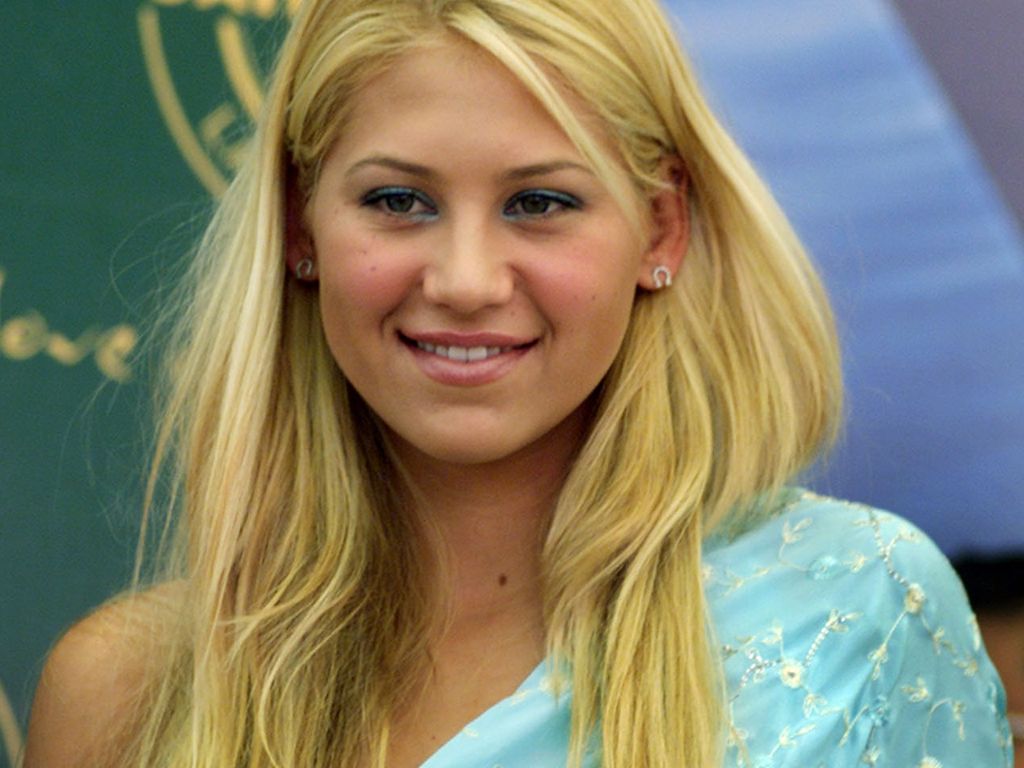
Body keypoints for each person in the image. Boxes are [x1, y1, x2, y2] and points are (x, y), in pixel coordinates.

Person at [23, 0, 1012, 766]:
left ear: (660, 228)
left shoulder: (862, 611)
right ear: (298, 223)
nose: (464, 282)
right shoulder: (122, 693)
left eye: (539, 202)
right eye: (398, 200)